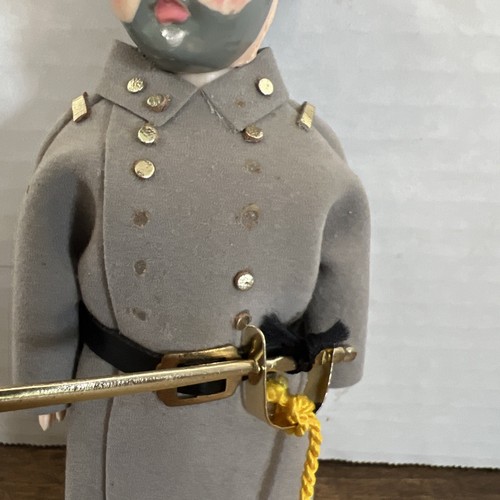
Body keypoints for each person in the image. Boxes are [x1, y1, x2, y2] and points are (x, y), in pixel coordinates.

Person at [12, 1, 370, 498]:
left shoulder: (308, 148)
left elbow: (344, 256)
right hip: (125, 401)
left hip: (256, 408)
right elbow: (45, 271)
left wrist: (334, 367)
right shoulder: (85, 142)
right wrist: (44, 381)